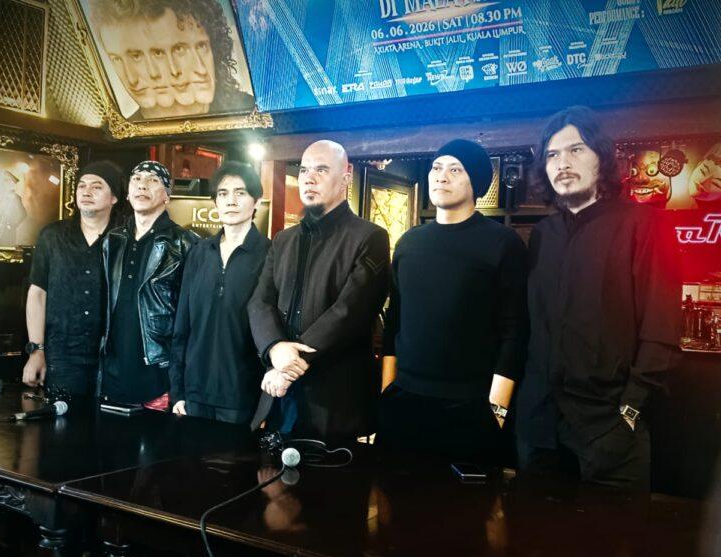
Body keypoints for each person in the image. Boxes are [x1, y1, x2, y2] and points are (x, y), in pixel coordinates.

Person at [516, 106, 682, 490]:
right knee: (532, 528)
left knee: (613, 530)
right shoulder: (542, 234)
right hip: (539, 427)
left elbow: (662, 331)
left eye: (576, 150)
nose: (562, 163)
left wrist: (629, 413)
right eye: (552, 155)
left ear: (601, 157)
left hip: (608, 427)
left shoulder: (644, 224)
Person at [378, 139, 528, 463]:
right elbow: (394, 322)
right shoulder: (409, 242)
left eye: (455, 169)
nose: (441, 176)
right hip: (403, 402)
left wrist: (497, 412)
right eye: (436, 168)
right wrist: (386, 392)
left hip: (471, 405)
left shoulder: (502, 243)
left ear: (476, 182)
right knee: (391, 494)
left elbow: (514, 332)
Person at [247, 140, 390, 441]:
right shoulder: (283, 239)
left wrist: (290, 366)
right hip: (280, 397)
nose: (309, 179)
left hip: (335, 402)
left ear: (346, 177)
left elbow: (350, 313)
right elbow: (259, 301)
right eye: (304, 171)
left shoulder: (370, 237)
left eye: (321, 170)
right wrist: (274, 347)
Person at [170, 162, 270, 423]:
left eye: (240, 192)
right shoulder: (199, 253)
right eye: (223, 194)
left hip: (242, 394)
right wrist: (177, 390)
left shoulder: (270, 254)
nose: (231, 201)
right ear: (215, 202)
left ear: (257, 201)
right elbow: (182, 326)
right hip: (194, 393)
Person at [100, 161, 199, 408]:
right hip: (113, 370)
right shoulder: (113, 240)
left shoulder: (185, 243)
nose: (142, 185)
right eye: (136, 179)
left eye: (153, 180)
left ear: (167, 196)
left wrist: (179, 380)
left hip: (159, 372)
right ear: (127, 193)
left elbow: (192, 316)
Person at [22, 161, 123, 396]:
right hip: (62, 355)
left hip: (114, 356)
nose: (86, 192)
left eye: (97, 187)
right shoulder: (52, 236)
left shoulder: (125, 238)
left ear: (114, 198)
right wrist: (36, 351)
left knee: (112, 420)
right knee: (63, 418)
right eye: (82, 186)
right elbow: (37, 294)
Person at [89, 0, 254, 119]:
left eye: (201, 46)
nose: (132, 80)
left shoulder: (250, 109)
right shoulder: (121, 131)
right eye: (136, 56)